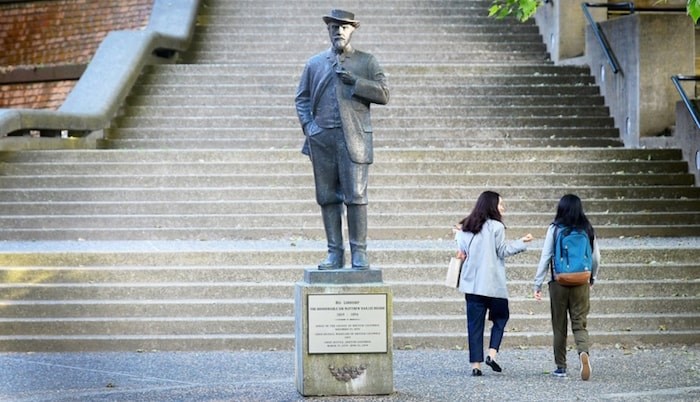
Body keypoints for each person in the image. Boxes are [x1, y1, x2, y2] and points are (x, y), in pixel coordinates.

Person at [295, 9, 390, 271]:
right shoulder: (314, 64)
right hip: (322, 138)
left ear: (352, 30)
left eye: (344, 27)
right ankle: (334, 253)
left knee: (356, 196)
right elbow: (302, 98)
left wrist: (356, 82)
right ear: (328, 31)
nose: (338, 31)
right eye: (334, 27)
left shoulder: (367, 61)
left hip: (354, 138)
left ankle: (359, 252)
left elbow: (384, 94)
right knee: (327, 197)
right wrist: (310, 127)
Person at [455, 191, 533, 376]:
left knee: (474, 325)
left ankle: (476, 365)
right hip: (494, 285)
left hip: (473, 285)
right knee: (501, 317)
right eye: (500, 204)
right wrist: (522, 242)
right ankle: (492, 353)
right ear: (491, 206)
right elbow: (502, 251)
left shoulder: (465, 226)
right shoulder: (497, 227)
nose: (503, 208)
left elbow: (462, 251)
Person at [533, 194, 600, 381]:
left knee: (559, 327)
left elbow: (545, 257)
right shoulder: (587, 228)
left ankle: (561, 367)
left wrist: (537, 283)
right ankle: (583, 353)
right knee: (579, 323)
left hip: (559, 282)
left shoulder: (554, 229)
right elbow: (596, 258)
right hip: (581, 281)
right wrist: (592, 278)